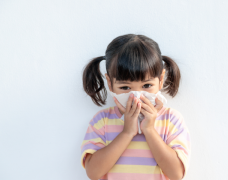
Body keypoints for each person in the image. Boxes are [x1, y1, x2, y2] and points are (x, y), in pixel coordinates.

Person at [80, 34, 191, 180]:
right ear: (109, 82)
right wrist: (127, 133)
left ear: (161, 79)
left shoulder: (171, 119)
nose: (137, 95)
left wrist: (150, 130)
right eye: (125, 87)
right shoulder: (102, 121)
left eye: (147, 86)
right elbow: (93, 173)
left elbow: (176, 174)